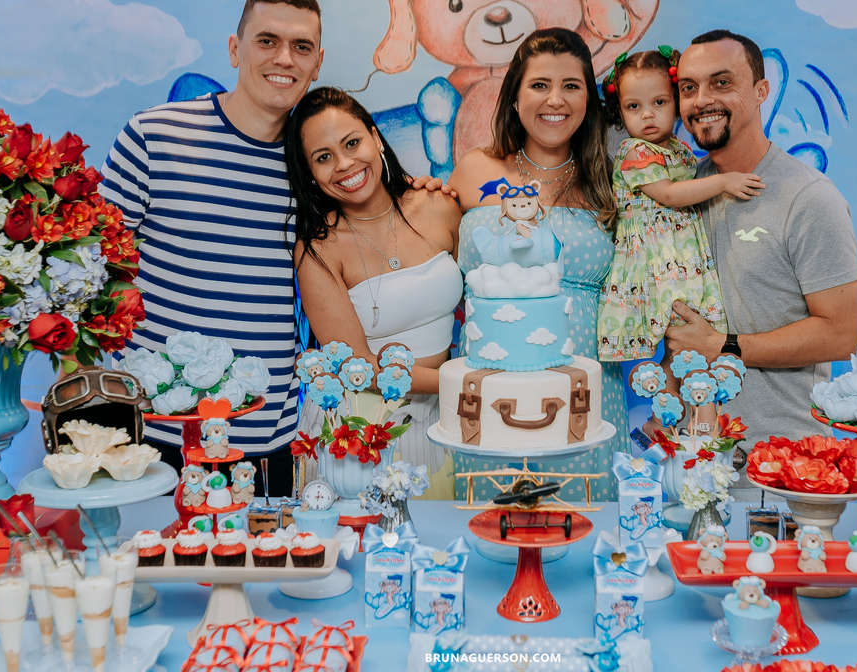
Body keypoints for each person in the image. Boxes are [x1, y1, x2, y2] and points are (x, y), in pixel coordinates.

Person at [100, 0, 445, 494]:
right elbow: (92, 270)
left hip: (266, 441)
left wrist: (418, 186)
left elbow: (370, 211)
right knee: (149, 570)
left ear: (318, 61)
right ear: (236, 49)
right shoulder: (153, 136)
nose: (284, 58)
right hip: (155, 429)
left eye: (301, 46)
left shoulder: (315, 163)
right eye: (267, 41)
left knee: (268, 571)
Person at [448, 27, 629, 500]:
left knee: (583, 527)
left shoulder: (612, 184)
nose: (557, 100)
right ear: (514, 95)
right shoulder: (475, 170)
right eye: (539, 84)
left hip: (585, 389)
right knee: (492, 528)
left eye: (572, 85)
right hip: (491, 389)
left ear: (589, 97)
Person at [660, 29, 857, 447]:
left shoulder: (808, 198)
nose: (702, 101)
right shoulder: (680, 194)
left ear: (760, 91)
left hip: (779, 461)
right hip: (688, 455)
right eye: (688, 88)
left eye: (721, 83)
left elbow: (842, 335)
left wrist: (723, 346)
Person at [287, 87, 463, 499]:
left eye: (352, 143)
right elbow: (358, 366)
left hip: (444, 414)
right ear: (309, 172)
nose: (345, 164)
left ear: (375, 138)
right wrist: (463, 383)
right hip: (361, 429)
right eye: (323, 157)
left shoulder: (440, 206)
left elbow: (484, 301)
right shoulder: (318, 247)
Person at [596, 47, 763, 363]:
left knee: (691, 338)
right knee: (675, 332)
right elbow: (670, 194)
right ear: (620, 111)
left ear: (676, 103)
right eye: (634, 106)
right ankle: (665, 403)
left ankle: (685, 402)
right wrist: (725, 182)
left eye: (659, 103)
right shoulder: (635, 152)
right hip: (653, 259)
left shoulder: (680, 149)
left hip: (681, 253)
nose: (647, 114)